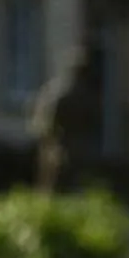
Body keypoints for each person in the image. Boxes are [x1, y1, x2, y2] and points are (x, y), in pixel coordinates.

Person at [31, 40, 103, 191]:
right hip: (68, 149)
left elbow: (43, 123)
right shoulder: (67, 94)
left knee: (61, 190)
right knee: (67, 189)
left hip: (64, 150)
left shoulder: (60, 92)